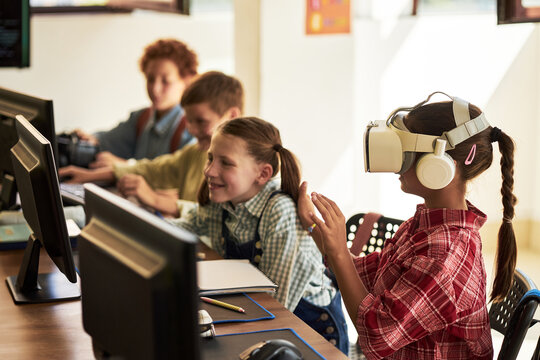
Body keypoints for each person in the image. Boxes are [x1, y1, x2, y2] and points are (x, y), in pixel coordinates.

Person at [298, 93, 517, 359]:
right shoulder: (424, 227)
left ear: (440, 162)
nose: (395, 162)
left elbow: (375, 335)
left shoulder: (443, 254)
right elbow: (364, 276)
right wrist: (313, 227)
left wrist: (340, 253)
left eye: (406, 152)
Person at [173, 117, 349, 354]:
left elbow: (275, 307)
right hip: (256, 317)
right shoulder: (224, 200)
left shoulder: (280, 211)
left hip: (309, 332)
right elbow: (185, 228)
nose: (209, 171)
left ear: (263, 173)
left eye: (226, 163)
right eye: (211, 158)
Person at [59, 71, 243, 218]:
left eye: (201, 121)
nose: (192, 130)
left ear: (232, 116)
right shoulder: (193, 153)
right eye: (189, 121)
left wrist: (154, 199)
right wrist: (89, 175)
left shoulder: (239, 166)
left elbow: (214, 217)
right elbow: (151, 169)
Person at [75, 38, 198, 168]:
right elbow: (107, 140)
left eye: (165, 81)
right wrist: (88, 139)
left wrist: (124, 166)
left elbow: (176, 179)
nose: (155, 89)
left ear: (186, 81)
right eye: (150, 79)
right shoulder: (141, 118)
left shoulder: (192, 129)